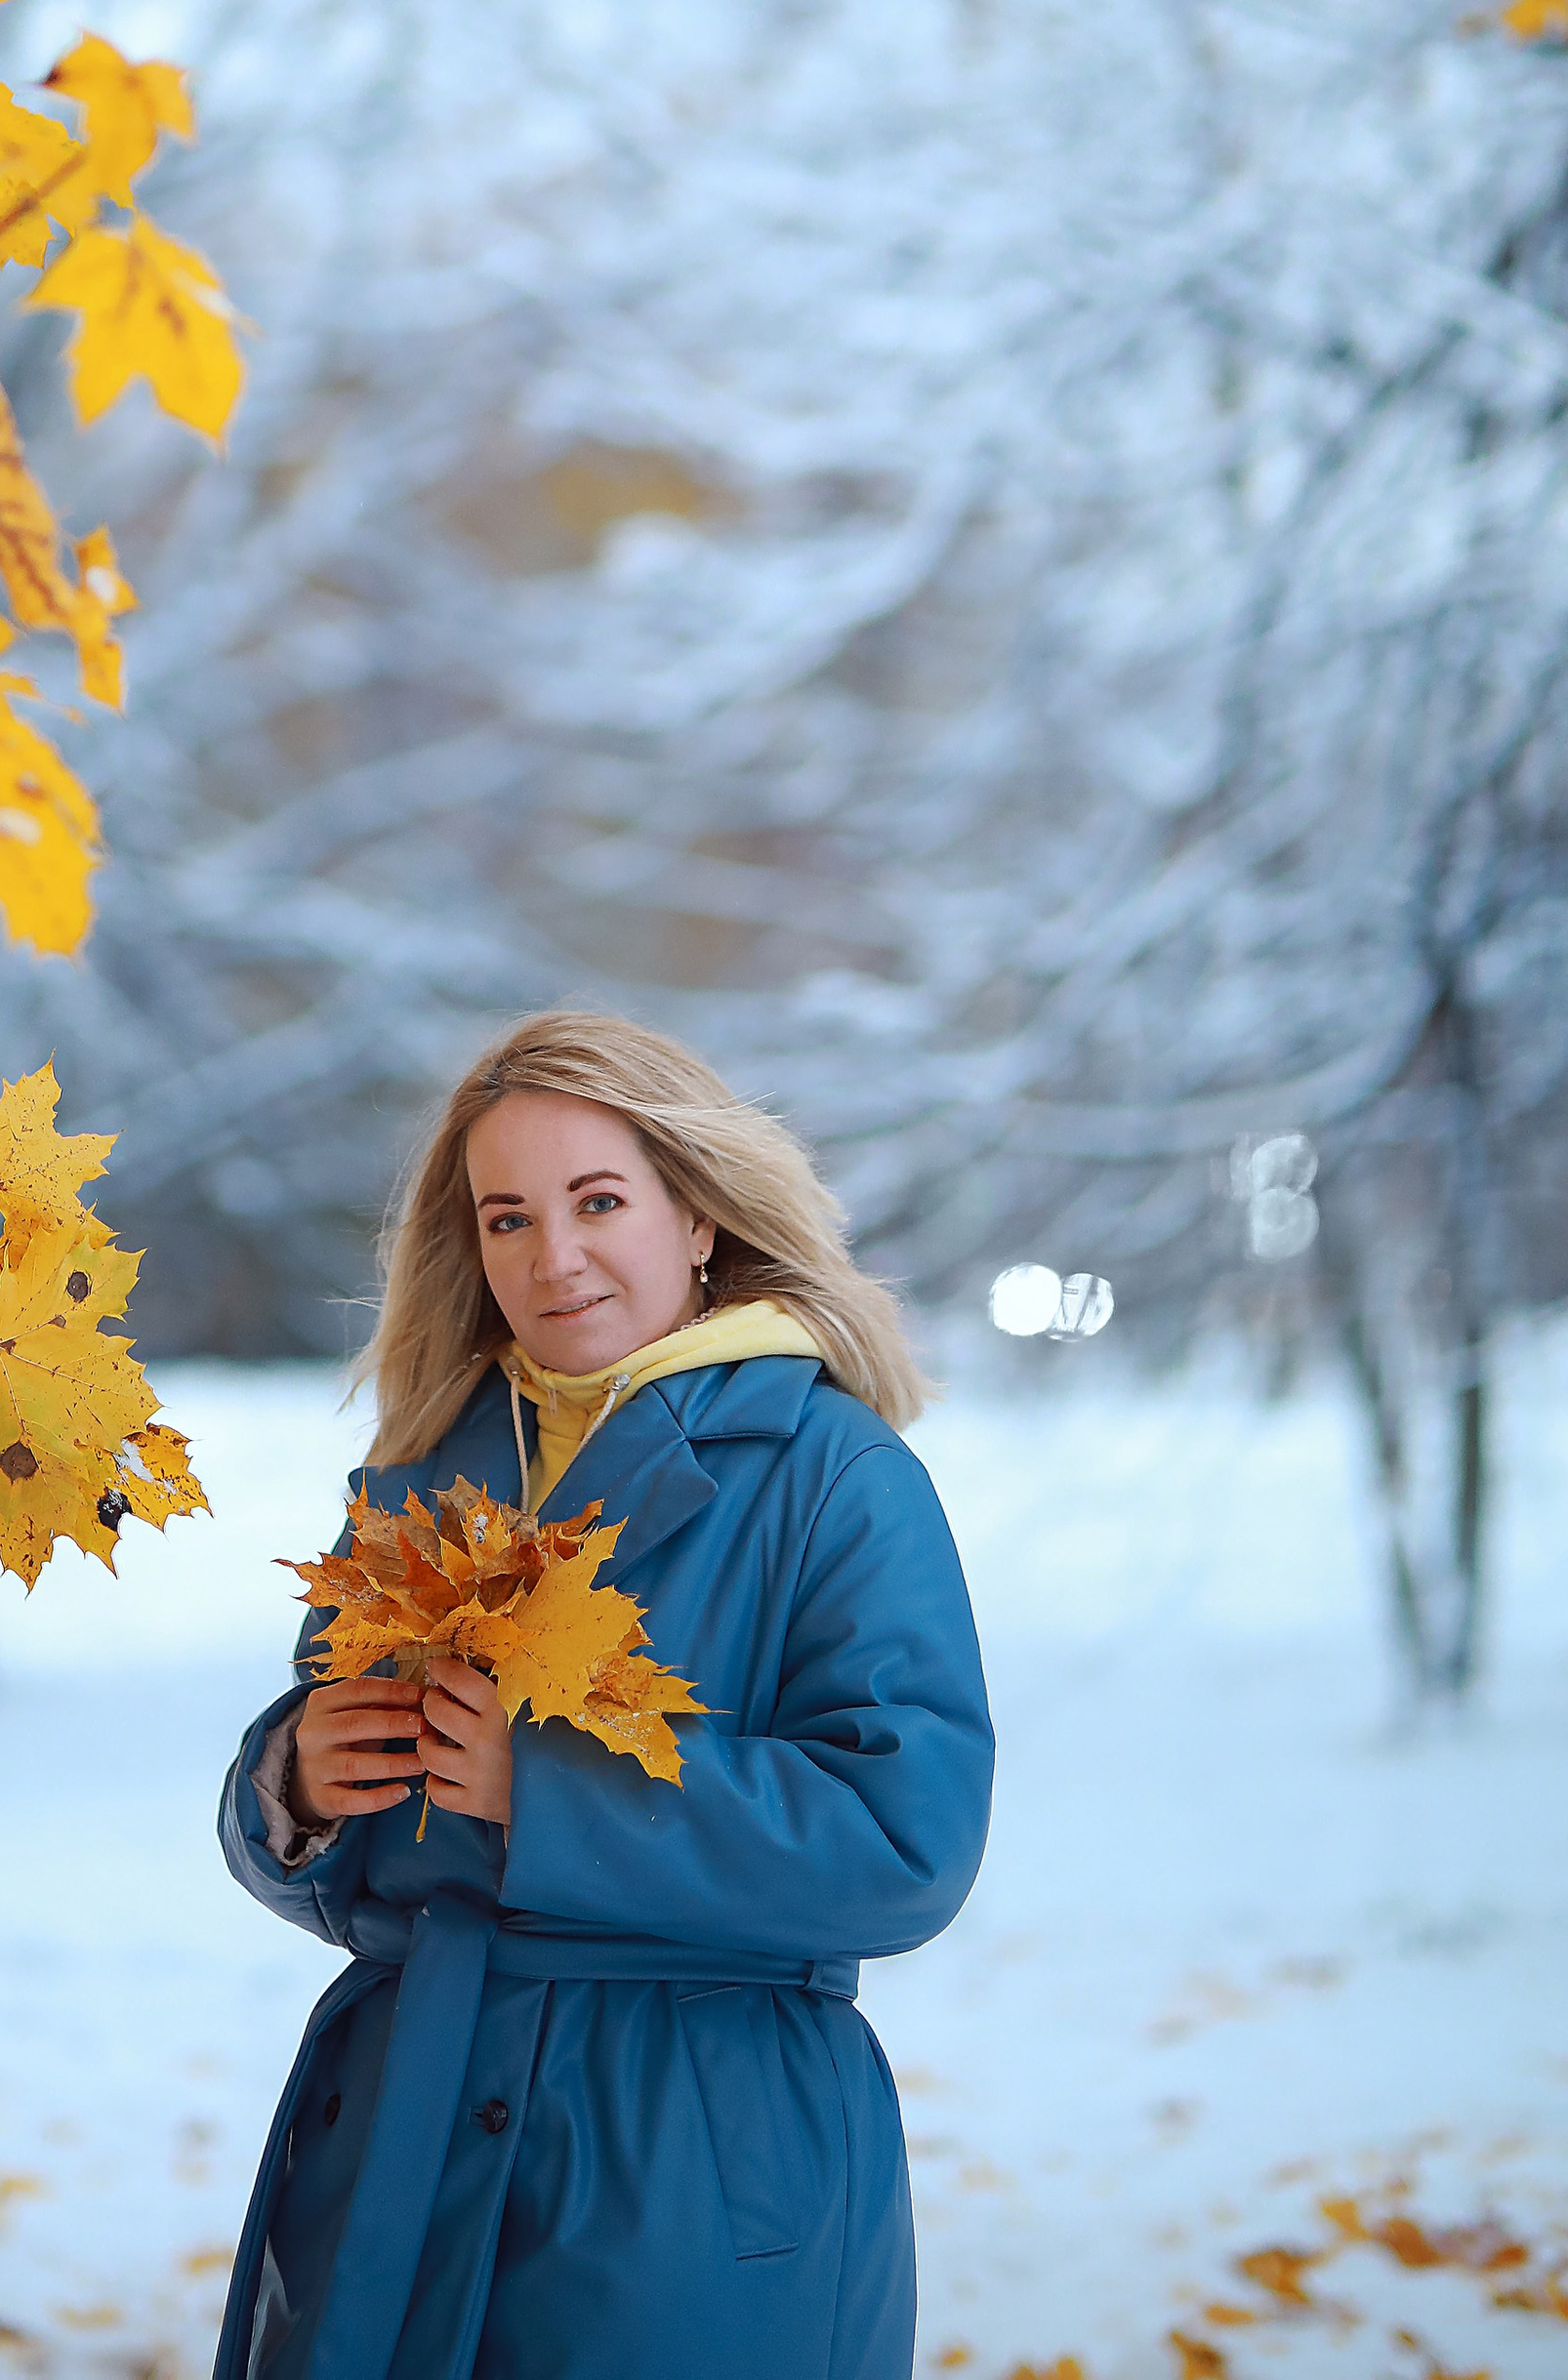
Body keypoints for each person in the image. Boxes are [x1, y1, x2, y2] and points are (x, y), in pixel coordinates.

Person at [212, 1009, 994, 2380]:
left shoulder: (834, 1478)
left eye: (599, 1202)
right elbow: (350, 1870)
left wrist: (551, 1793)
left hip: (686, 2159)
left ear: (696, 1214)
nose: (553, 1257)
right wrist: (294, 1786)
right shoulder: (421, 1469)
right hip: (407, 2141)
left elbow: (905, 1844)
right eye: (507, 1218)